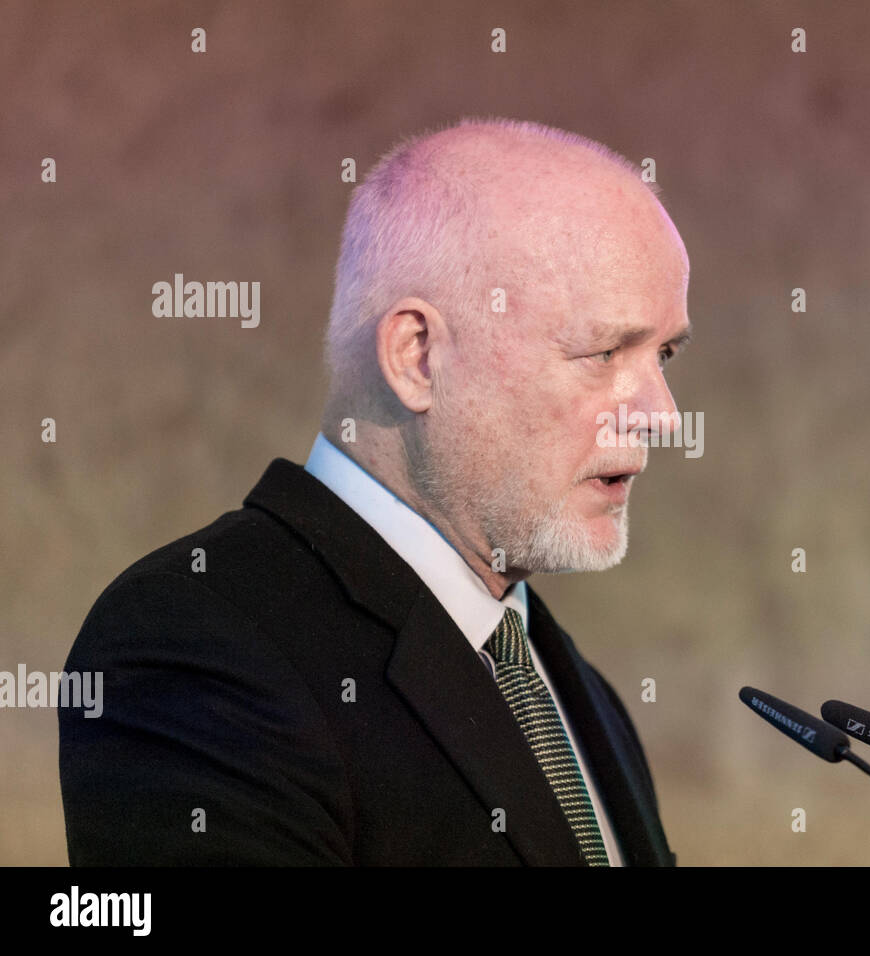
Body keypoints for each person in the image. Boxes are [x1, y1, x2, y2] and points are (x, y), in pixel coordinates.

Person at [58, 117, 691, 866]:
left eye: (666, 353)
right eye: (605, 351)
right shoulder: (195, 643)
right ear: (418, 356)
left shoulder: (573, 689)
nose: (662, 415)